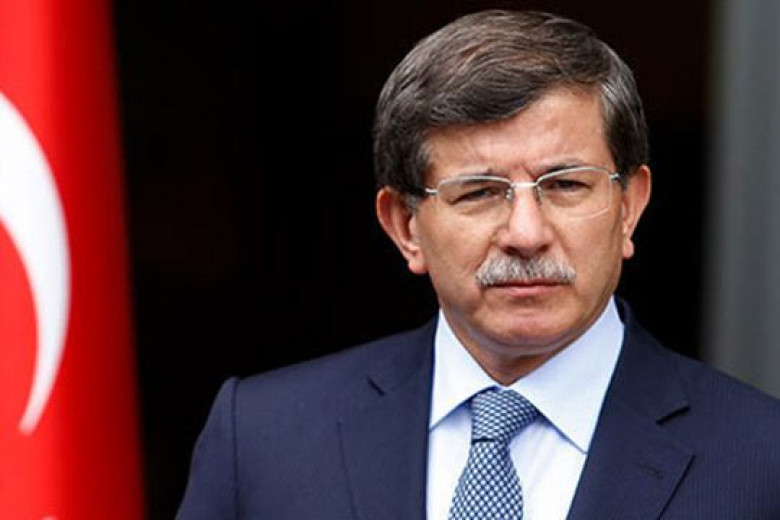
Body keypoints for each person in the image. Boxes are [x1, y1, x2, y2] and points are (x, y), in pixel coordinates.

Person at [177, 9, 780, 519]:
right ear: (405, 226)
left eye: (565, 185)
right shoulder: (263, 440)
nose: (526, 234)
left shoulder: (761, 459)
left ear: (629, 207)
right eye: (480, 193)